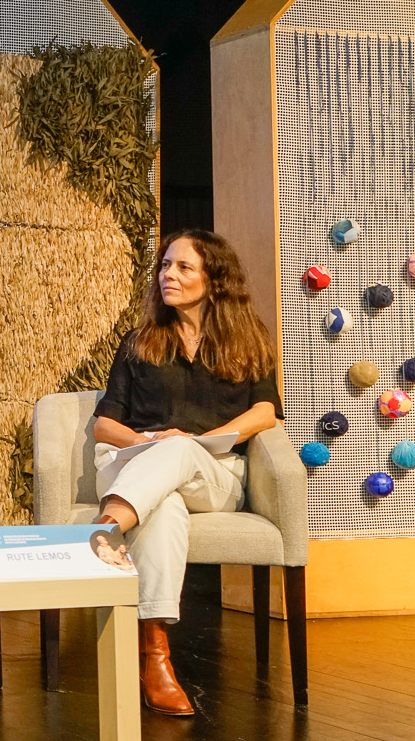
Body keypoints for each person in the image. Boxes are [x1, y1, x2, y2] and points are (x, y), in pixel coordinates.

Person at [92, 230, 281, 716]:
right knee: (165, 504)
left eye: (183, 267)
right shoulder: (140, 342)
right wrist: (147, 444)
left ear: (214, 279)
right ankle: (155, 657)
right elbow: (105, 426)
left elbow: (265, 413)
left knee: (178, 451)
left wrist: (196, 443)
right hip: (136, 463)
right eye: (165, 266)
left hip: (213, 471)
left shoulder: (248, 341)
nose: (168, 275)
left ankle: (102, 532)